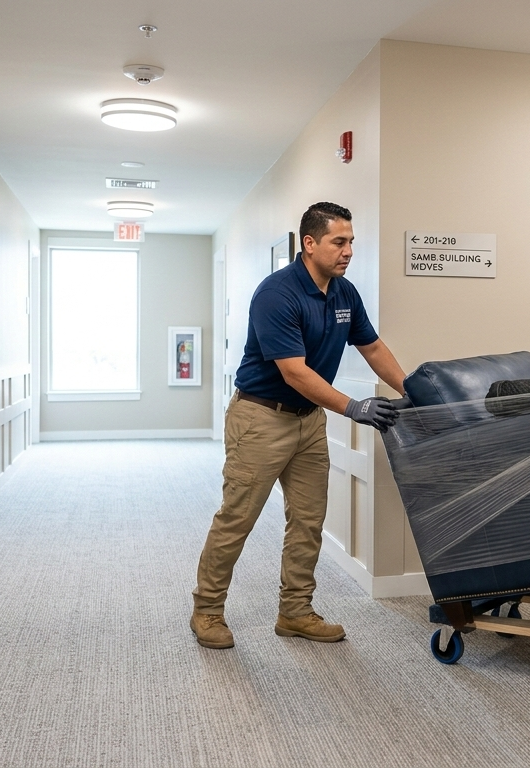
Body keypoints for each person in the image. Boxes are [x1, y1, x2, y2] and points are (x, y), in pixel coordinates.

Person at [191, 201, 408, 649]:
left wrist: (412, 389)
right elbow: (294, 372)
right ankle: (207, 610)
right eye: (339, 242)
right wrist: (353, 407)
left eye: (351, 242)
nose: (349, 251)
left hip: (308, 421)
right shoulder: (277, 294)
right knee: (237, 518)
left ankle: (295, 611)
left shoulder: (344, 293)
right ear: (310, 243)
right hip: (260, 418)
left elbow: (372, 347)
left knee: (309, 521)